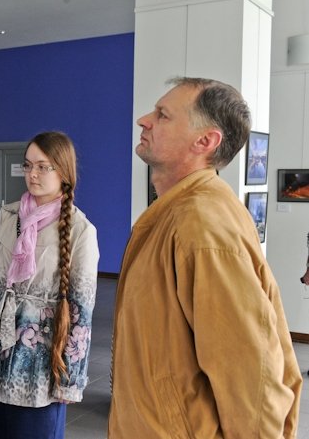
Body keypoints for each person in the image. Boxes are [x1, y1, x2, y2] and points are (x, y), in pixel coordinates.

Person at [108, 77, 302, 438]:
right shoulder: (176, 212)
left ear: (205, 141)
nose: (144, 120)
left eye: (163, 115)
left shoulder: (200, 224)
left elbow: (252, 377)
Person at [0, 131, 99, 439]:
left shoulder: (80, 230)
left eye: (43, 167)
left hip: (38, 366)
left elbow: (81, 312)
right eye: (28, 165)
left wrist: (70, 379)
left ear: (63, 172)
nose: (32, 174)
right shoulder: (8, 215)